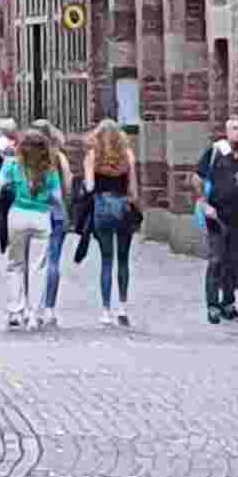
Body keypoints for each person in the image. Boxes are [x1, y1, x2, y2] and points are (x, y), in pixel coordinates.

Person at [0, 122, 73, 332]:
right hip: (48, 215)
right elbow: (66, 187)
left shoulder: (18, 162)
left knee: (18, 263)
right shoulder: (56, 159)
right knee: (47, 263)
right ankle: (45, 309)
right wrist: (64, 211)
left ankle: (19, 308)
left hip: (21, 214)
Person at [196, 119, 238, 325]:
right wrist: (204, 204)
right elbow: (197, 179)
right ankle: (213, 306)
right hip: (217, 217)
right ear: (226, 132)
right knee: (216, 261)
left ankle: (228, 304)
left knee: (233, 262)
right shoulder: (215, 152)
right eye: (234, 128)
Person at [84, 120, 141, 324]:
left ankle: (106, 310)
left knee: (106, 259)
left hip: (102, 208)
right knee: (123, 259)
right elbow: (133, 191)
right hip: (123, 208)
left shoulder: (93, 156)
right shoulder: (128, 156)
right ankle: (122, 308)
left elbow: (89, 186)